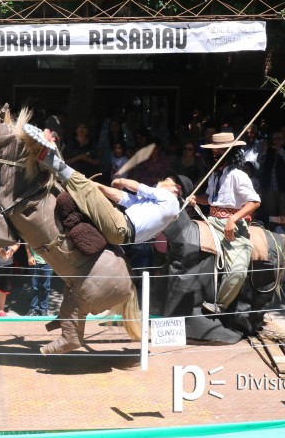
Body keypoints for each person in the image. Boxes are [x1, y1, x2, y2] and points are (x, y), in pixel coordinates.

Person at [23, 123, 182, 248]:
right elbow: (122, 197)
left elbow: (139, 187)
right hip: (121, 232)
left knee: (84, 187)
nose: (165, 179)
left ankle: (49, 158)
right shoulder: (159, 205)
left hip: (121, 225)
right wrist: (94, 185)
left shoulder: (170, 198)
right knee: (85, 188)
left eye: (169, 180)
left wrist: (121, 181)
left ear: (177, 188)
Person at [188, 132, 261, 314]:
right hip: (211, 219)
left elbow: (254, 201)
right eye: (214, 151)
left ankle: (221, 304)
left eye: (220, 151)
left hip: (231, 225)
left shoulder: (238, 175)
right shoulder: (214, 175)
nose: (215, 155)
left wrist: (234, 219)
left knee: (238, 270)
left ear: (230, 152)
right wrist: (196, 199)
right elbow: (212, 199)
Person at [26, 245, 53, 316]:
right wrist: (29, 256)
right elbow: (26, 243)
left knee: (46, 287)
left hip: (48, 263)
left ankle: (43, 309)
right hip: (34, 262)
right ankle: (33, 309)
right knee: (34, 287)